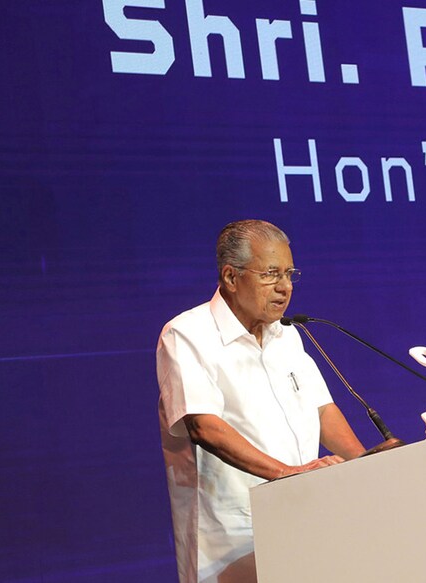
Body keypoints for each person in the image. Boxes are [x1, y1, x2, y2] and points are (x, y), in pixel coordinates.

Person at [156, 219, 366, 583]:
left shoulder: (287, 337)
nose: (284, 288)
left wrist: (367, 470)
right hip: (231, 537)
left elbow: (322, 411)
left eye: (289, 274)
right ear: (231, 277)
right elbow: (204, 426)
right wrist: (287, 475)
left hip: (304, 519)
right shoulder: (187, 334)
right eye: (271, 274)